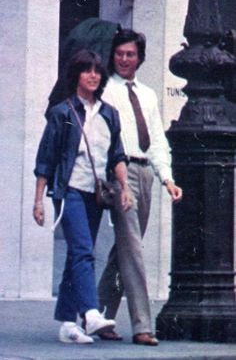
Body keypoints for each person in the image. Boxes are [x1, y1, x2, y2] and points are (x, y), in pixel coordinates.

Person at [33, 49, 132, 344]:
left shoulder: (108, 114)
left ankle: (67, 323)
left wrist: (125, 187)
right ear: (76, 74)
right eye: (86, 70)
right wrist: (39, 201)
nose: (93, 75)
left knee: (77, 255)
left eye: (97, 71)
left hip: (96, 194)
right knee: (83, 251)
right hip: (70, 190)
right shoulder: (63, 113)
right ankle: (89, 313)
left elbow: (116, 155)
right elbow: (46, 160)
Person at [97, 29, 183, 345]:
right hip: (120, 172)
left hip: (146, 172)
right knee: (132, 248)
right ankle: (142, 325)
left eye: (130, 54)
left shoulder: (148, 95)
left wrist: (167, 179)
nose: (124, 59)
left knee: (124, 249)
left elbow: (157, 140)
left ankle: (97, 316)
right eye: (119, 53)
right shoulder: (105, 90)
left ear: (139, 58)